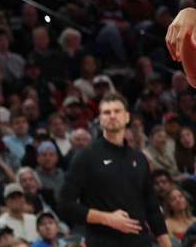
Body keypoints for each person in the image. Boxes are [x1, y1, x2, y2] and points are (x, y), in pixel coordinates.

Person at [57, 93, 169, 247]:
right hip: (103, 242)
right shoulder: (86, 156)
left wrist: (166, 243)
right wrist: (106, 218)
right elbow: (65, 204)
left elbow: (152, 206)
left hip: (141, 242)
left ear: (127, 117)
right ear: (100, 119)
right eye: (106, 112)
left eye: (117, 111)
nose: (112, 116)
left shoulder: (139, 158)